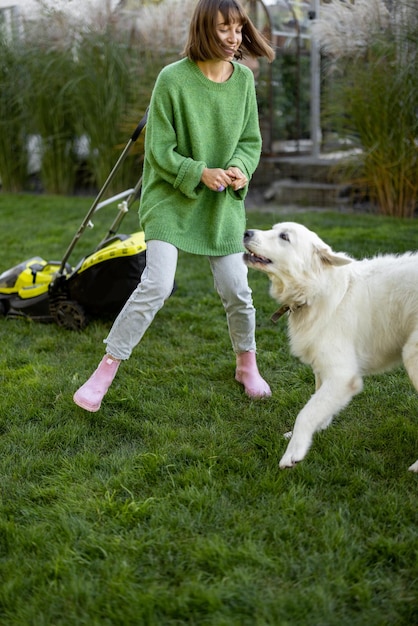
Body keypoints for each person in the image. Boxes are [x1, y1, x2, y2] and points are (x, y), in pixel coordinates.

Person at [73, 0, 276, 412]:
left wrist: (239, 168)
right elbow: (160, 150)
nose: (234, 37)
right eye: (224, 29)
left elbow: (250, 143)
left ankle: (246, 364)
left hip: (220, 204)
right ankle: (106, 368)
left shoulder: (244, 82)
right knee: (158, 284)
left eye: (238, 29)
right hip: (171, 196)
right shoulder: (172, 79)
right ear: (204, 28)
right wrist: (199, 172)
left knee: (238, 289)